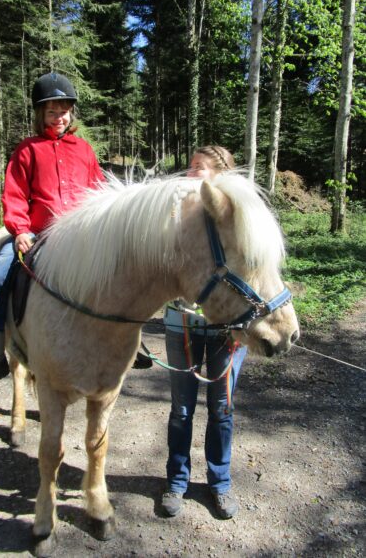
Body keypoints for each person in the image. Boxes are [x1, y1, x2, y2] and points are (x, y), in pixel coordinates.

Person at [0, 73, 105, 390]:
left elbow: (99, 192)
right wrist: (21, 229)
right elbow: (14, 196)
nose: (59, 118)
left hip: (81, 234)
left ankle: (133, 344)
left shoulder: (84, 150)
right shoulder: (27, 151)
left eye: (63, 111)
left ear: (71, 113)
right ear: (41, 115)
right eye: (51, 112)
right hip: (37, 234)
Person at [161, 145, 247, 519]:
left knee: (221, 410)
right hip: (181, 323)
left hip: (228, 329)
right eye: (190, 164)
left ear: (220, 177)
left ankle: (220, 483)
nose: (190, 171)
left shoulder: (240, 220)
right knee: (181, 409)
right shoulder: (171, 214)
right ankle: (176, 482)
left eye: (199, 167)